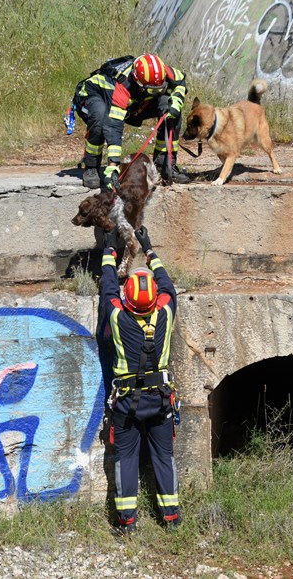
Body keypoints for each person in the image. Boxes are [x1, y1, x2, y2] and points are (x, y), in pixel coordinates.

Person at [99, 225, 182, 534]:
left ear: (128, 299)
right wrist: (149, 250)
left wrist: (110, 250)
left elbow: (108, 287)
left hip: (126, 404)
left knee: (126, 458)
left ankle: (127, 523)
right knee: (164, 456)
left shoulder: (117, 316)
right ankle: (171, 517)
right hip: (160, 400)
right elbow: (167, 285)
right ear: (154, 299)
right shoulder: (166, 312)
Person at [72, 54, 190, 189]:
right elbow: (113, 128)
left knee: (170, 108)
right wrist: (113, 166)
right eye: (151, 90)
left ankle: (164, 165)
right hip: (96, 95)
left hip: (135, 100)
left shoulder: (161, 71)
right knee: (99, 118)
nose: (155, 93)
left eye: (159, 89)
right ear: (137, 81)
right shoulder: (122, 86)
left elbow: (180, 81)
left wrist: (177, 102)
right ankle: (91, 166)